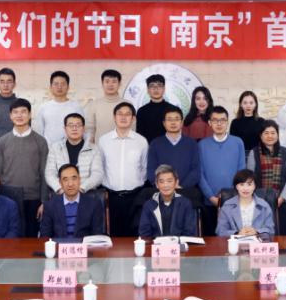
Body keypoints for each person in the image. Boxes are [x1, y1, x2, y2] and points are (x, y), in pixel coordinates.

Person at [0, 98, 49, 238]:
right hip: (8, 198)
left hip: (33, 198)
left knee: (30, 238)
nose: (19, 115)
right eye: (15, 112)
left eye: (23, 112)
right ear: (10, 116)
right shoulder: (2, 141)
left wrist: (44, 201)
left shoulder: (40, 141)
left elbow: (44, 172)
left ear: (30, 115)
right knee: (9, 237)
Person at [99, 102, 149, 237]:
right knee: (113, 236)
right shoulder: (103, 141)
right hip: (111, 197)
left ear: (133, 119)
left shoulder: (141, 141)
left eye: (127, 114)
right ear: (114, 117)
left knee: (134, 235)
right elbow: (100, 167)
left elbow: (144, 168)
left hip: (135, 196)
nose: (123, 117)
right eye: (120, 114)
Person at [198, 106, 246, 236]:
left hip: (233, 199)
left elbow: (241, 171)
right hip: (209, 200)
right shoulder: (202, 145)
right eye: (215, 120)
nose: (219, 124)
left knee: (232, 237)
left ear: (227, 122)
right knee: (210, 238)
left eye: (222, 120)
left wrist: (230, 195)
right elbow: (200, 174)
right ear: (209, 123)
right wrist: (211, 197)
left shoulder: (238, 142)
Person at [145, 106, 202, 212]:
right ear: (164, 123)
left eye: (176, 119)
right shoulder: (155, 144)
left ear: (182, 122)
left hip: (185, 193)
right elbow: (151, 170)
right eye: (169, 119)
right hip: (162, 194)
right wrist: (165, 187)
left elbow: (196, 170)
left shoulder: (192, 143)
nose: (173, 122)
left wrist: (180, 187)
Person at [246, 120, 286, 234]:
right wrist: (258, 199)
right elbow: (249, 179)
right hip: (260, 201)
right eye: (266, 133)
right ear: (261, 135)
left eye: (273, 133)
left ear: (277, 135)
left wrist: (282, 198)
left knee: (284, 234)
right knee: (262, 233)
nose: (270, 136)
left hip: (282, 200)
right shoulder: (254, 153)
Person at [39, 164, 106, 239]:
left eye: (74, 178)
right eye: (65, 179)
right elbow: (44, 237)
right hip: (58, 246)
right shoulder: (49, 206)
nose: (70, 184)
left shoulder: (94, 204)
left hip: (85, 246)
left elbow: (97, 236)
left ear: (79, 180)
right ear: (60, 183)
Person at [44, 113, 104, 195]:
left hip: (85, 193)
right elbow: (49, 173)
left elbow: (98, 174)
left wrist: (81, 188)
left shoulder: (94, 149)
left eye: (78, 125)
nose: (74, 128)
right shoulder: (55, 148)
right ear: (65, 129)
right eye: (70, 125)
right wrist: (61, 189)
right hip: (61, 194)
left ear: (83, 128)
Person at [138, 165, 198, 237]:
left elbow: (190, 232)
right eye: (161, 182)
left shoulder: (185, 204)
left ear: (176, 183)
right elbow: (144, 233)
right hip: (156, 243)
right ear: (157, 184)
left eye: (169, 181)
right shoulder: (149, 205)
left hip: (179, 243)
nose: (165, 185)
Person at [216, 169, 276, 238]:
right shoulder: (227, 206)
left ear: (254, 186)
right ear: (236, 187)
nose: (245, 188)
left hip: (257, 243)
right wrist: (237, 233)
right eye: (241, 184)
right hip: (235, 243)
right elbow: (220, 231)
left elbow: (271, 230)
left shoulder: (264, 206)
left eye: (249, 184)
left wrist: (256, 232)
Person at [35, 71, 85, 145]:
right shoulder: (44, 107)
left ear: (68, 87)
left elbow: (82, 130)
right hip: (49, 149)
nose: (59, 87)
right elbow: (39, 132)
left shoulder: (76, 107)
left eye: (63, 84)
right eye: (56, 84)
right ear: (50, 87)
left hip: (71, 148)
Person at [84, 69, 127, 143]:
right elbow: (90, 129)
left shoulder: (127, 105)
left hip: (122, 146)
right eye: (107, 81)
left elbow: (132, 129)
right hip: (100, 147)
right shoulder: (94, 104)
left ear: (119, 84)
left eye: (114, 81)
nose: (110, 85)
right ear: (102, 84)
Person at [136, 74, 173, 142]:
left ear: (164, 89)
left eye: (159, 85)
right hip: (148, 147)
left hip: (169, 147)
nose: (156, 89)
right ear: (148, 90)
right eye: (152, 86)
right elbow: (140, 136)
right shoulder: (141, 111)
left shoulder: (173, 110)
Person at [230, 91, 265, 155]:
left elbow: (264, 142)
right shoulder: (235, 122)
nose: (248, 105)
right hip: (240, 154)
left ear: (255, 104)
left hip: (257, 155)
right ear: (241, 105)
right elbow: (233, 144)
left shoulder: (261, 121)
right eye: (245, 103)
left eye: (251, 103)